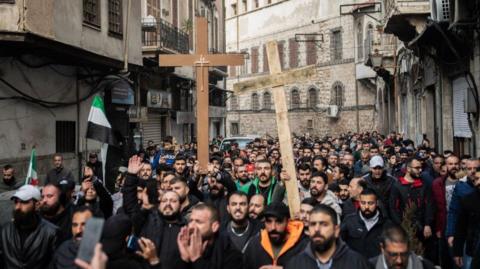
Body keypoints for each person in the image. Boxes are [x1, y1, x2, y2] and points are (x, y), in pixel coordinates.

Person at [285, 205, 371, 269]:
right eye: (313, 224)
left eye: (324, 224)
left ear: (336, 230)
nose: (317, 229)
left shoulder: (357, 263)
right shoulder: (295, 264)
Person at [0, 185, 58, 269]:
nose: (18, 207)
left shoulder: (51, 232)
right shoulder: (4, 230)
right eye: (16, 202)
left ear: (37, 205)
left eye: (24, 202)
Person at [389, 158, 434, 262]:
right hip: (405, 229)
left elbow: (429, 205)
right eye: (417, 168)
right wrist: (402, 226)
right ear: (408, 169)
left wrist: (428, 224)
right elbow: (393, 208)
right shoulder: (397, 186)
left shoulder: (424, 186)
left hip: (422, 229)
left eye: (421, 167)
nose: (420, 170)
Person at [177, 203, 243, 269]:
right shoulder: (187, 246)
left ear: (214, 227)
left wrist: (197, 259)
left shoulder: (232, 255)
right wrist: (184, 259)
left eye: (198, 222)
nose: (191, 226)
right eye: (191, 221)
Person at [243, 202, 308, 269]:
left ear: (288, 221)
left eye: (279, 221)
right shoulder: (254, 245)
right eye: (269, 221)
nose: (273, 227)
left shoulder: (304, 246)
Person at [341, 188, 391, 258]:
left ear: (376, 203)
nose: (366, 207)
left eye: (370, 203)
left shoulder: (387, 225)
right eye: (363, 203)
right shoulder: (349, 221)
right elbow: (339, 244)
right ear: (359, 203)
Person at [370, 225, 435, 269]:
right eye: (393, 255)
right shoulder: (368, 266)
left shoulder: (426, 266)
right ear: (382, 249)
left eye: (404, 254)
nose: (399, 261)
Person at [452, 167, 480, 268]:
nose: (478, 182)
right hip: (473, 250)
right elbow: (461, 227)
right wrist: (457, 252)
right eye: (476, 179)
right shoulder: (468, 200)